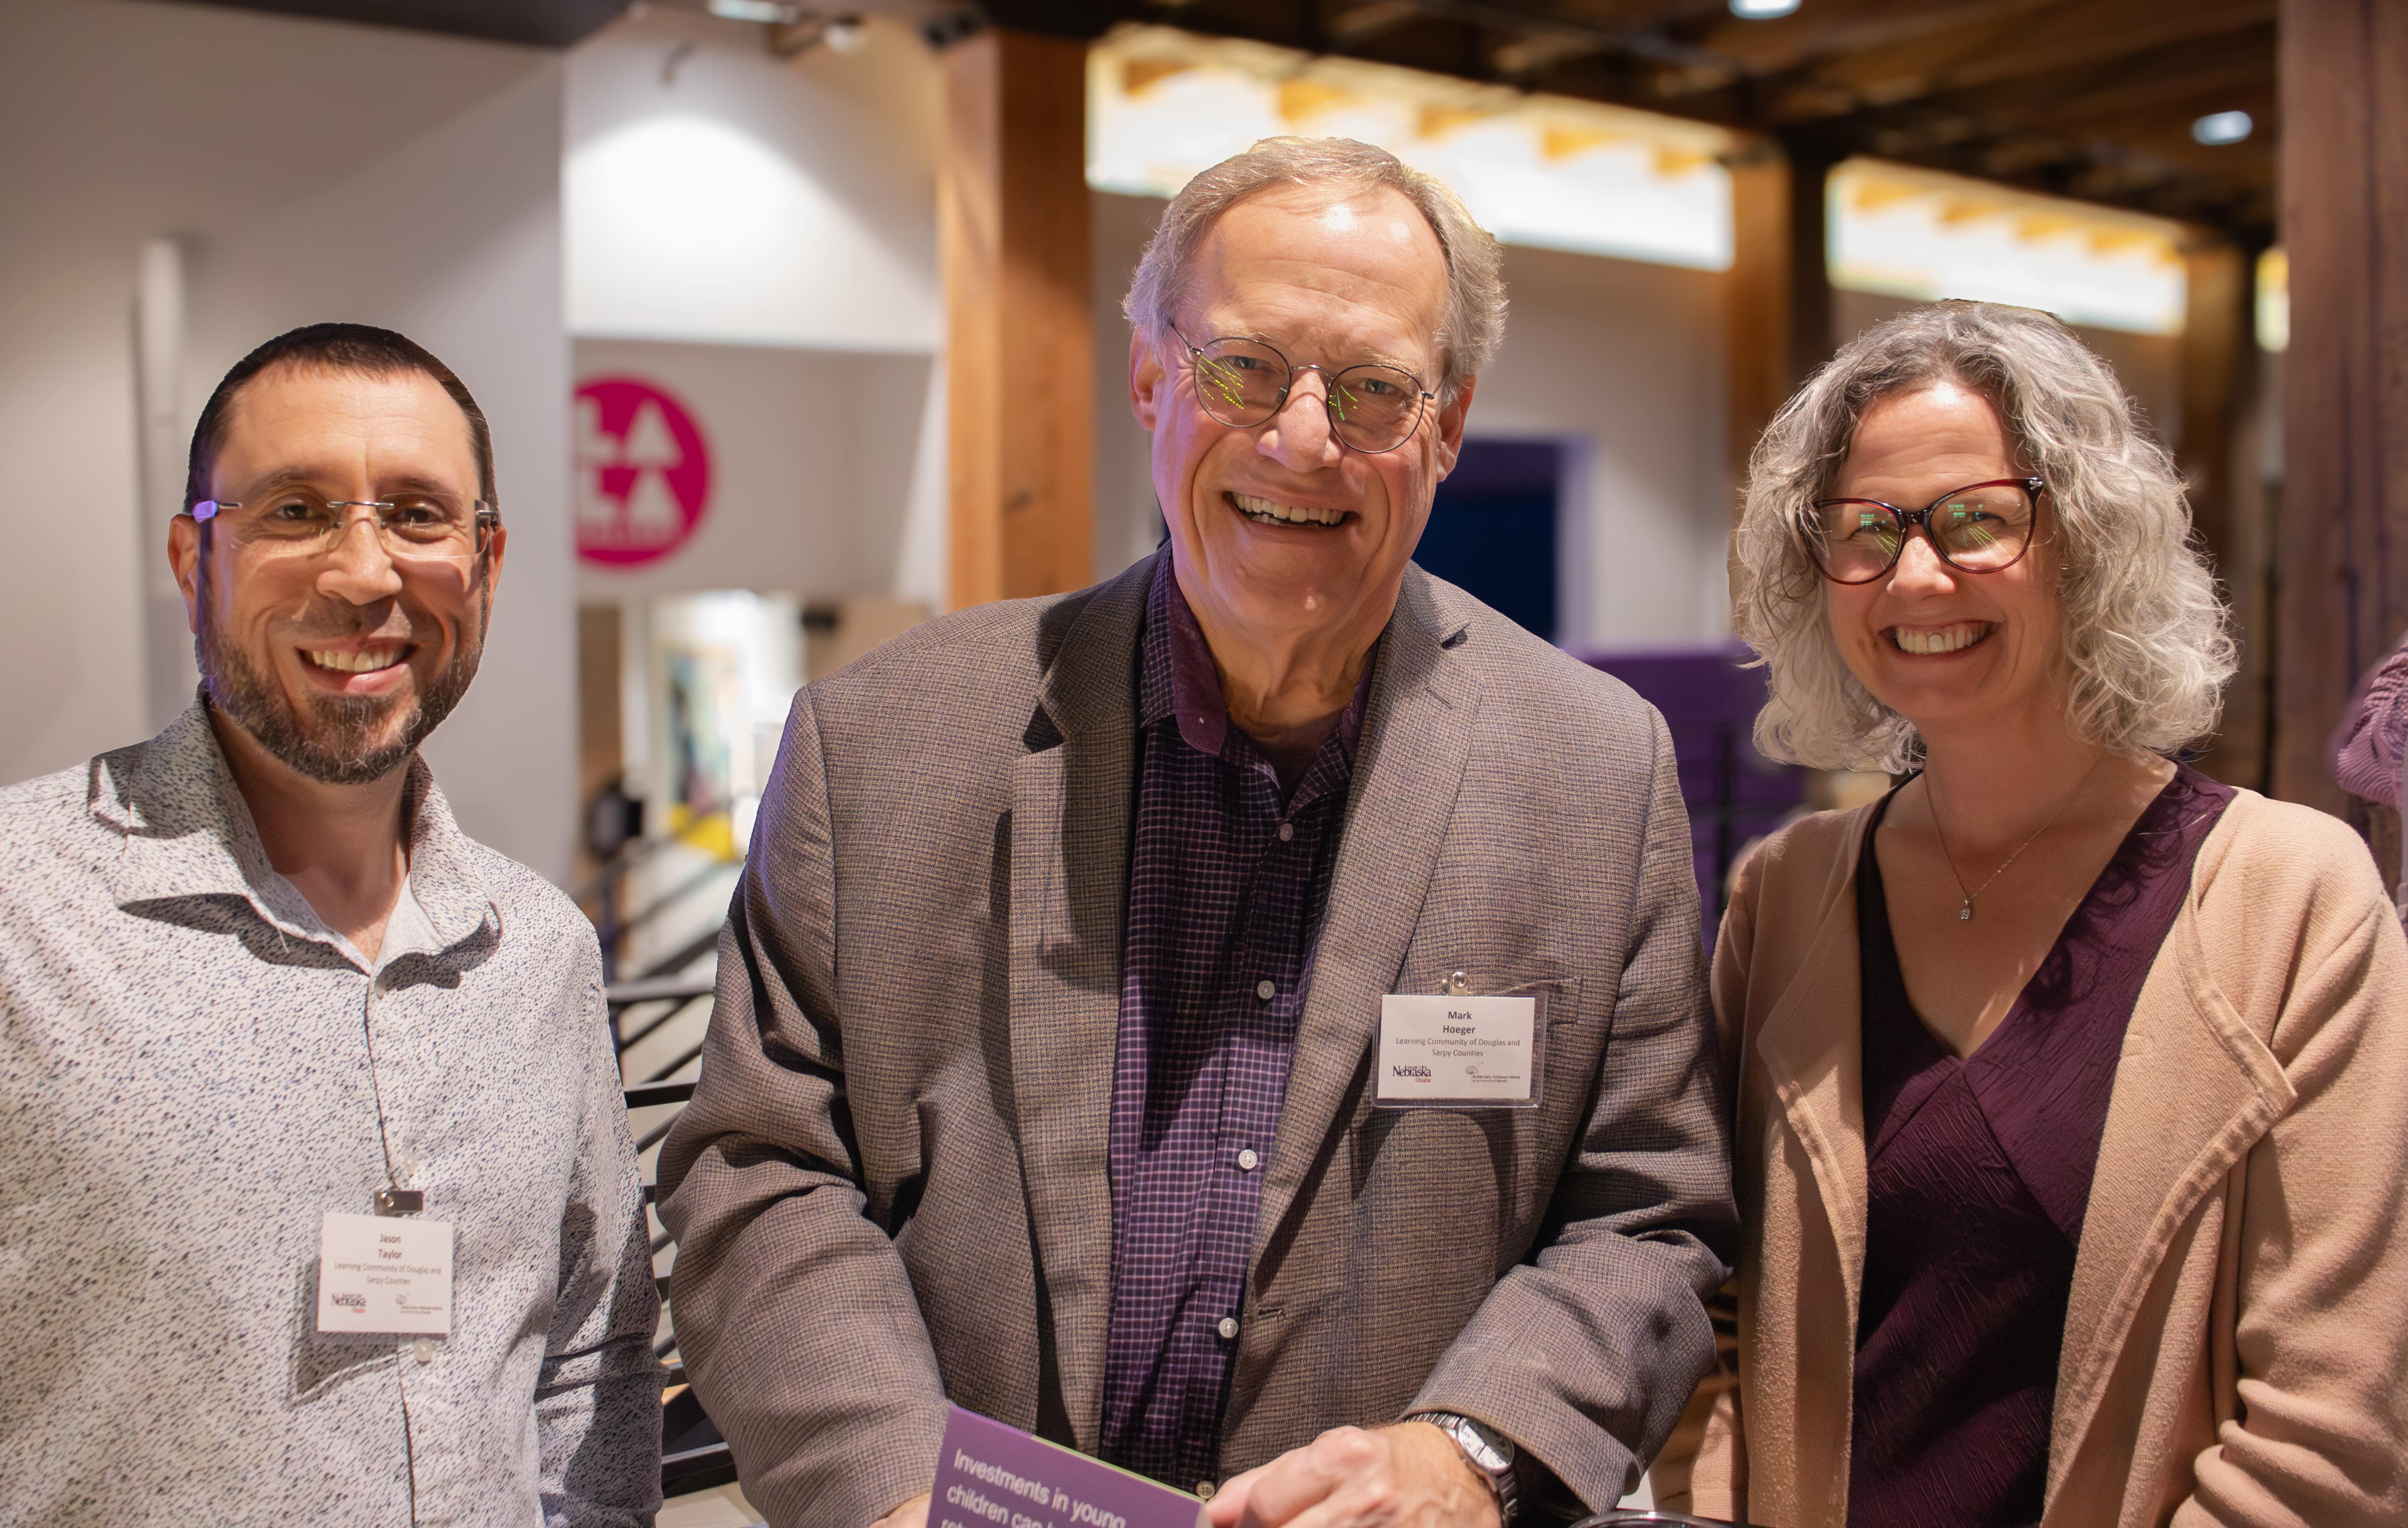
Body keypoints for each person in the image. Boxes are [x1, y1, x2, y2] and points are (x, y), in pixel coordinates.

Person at [658, 136, 1736, 1528]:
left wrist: (1464, 1453)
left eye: (1373, 389)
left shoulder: (1593, 770)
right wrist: (891, 1489)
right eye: (1244, 368)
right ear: (1152, 375)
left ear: (1450, 423)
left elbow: (1649, 1213)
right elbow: (763, 1167)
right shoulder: (884, 746)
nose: (1302, 438)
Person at [1650, 300, 2408, 1527]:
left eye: (1977, 520)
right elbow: (1712, 1307)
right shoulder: (1786, 897)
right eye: (1866, 530)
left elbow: (2336, 1436)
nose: (1914, 575)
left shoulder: (2292, 898)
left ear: (2091, 543)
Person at [0, 323, 663, 1523]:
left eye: (417, 515)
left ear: (489, 561)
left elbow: (590, 1359)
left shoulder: (539, 950)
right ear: (191, 557)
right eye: (297, 512)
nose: (365, 575)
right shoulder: (22, 916)